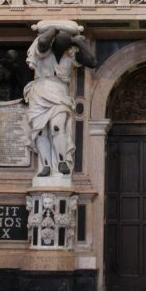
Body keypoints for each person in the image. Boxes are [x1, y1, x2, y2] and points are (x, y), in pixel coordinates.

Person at [24, 22, 96, 177]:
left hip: (60, 92)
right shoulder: (41, 49)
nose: (61, 49)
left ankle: (62, 161)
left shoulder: (70, 53)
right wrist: (55, 28)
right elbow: (43, 42)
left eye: (64, 46)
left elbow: (92, 61)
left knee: (57, 127)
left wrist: (78, 42)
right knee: (41, 132)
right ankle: (46, 165)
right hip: (40, 90)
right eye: (59, 45)